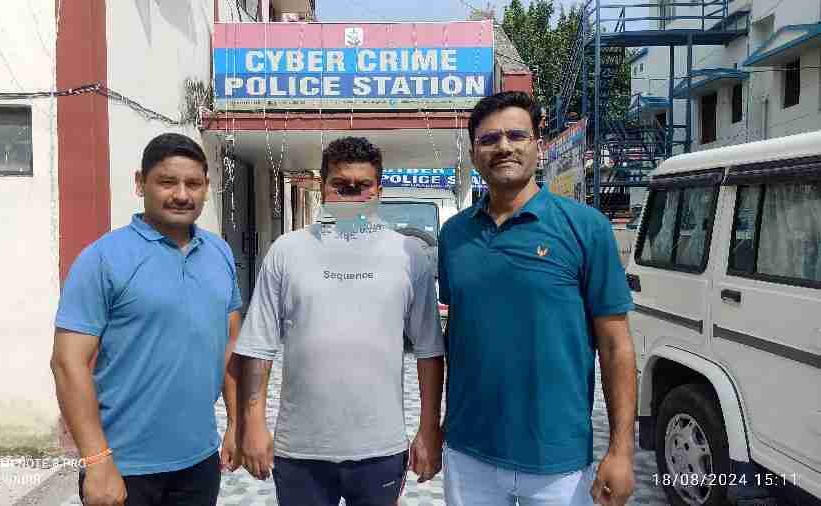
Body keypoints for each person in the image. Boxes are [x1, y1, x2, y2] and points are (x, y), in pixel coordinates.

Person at [437, 91, 637, 506]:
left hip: (557, 460)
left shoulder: (586, 228)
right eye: (489, 139)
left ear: (538, 146)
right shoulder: (454, 236)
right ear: (473, 154)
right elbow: (455, 334)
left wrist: (621, 451)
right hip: (468, 452)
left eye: (516, 135)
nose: (503, 146)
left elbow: (616, 346)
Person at [233, 136, 445, 506]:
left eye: (362, 187)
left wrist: (428, 429)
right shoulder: (287, 251)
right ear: (323, 187)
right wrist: (252, 424)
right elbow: (258, 346)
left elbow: (429, 350)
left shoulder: (408, 255)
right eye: (340, 185)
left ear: (379, 190)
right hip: (300, 450)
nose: (351, 196)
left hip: (380, 449)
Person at [51, 133, 242, 506]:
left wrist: (236, 423)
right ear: (141, 183)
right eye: (167, 182)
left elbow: (231, 341)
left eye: (193, 184)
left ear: (206, 188)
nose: (182, 195)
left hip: (200, 460)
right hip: (124, 465)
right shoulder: (103, 258)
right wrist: (97, 460)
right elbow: (67, 362)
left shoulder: (218, 252)